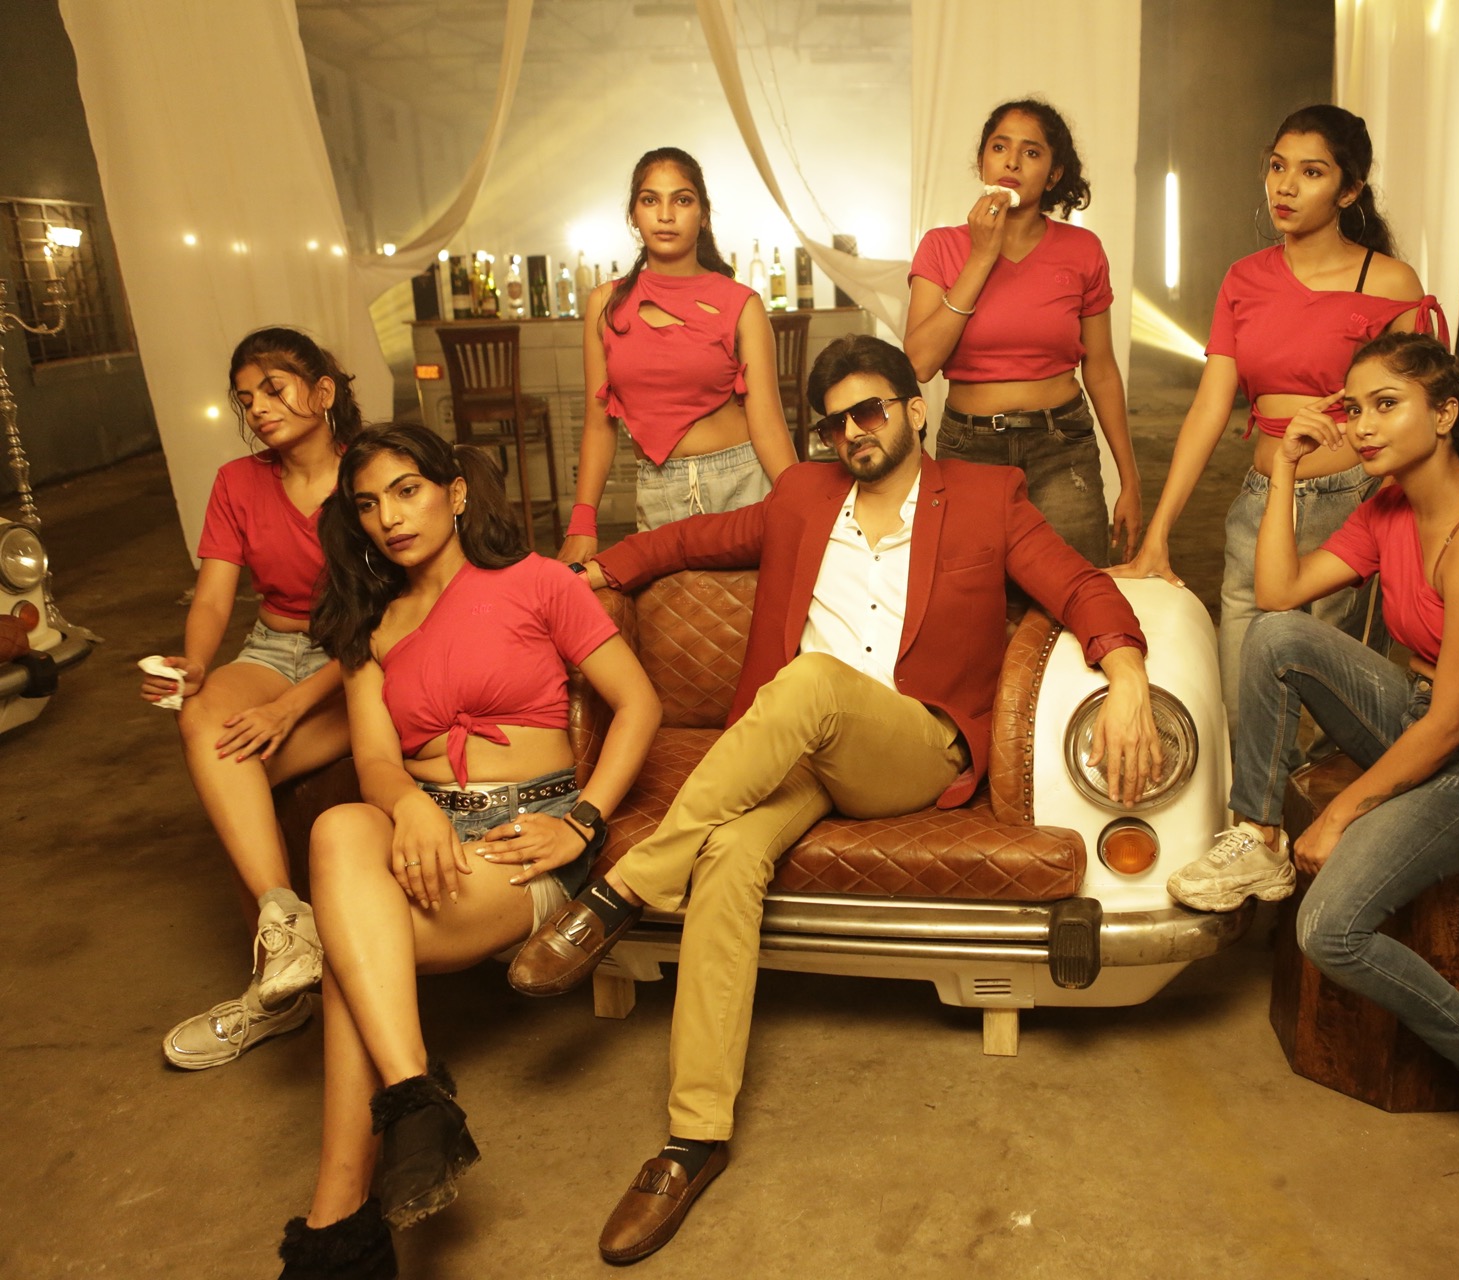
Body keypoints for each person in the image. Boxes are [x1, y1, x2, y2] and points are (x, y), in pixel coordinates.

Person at [507, 334, 1160, 1264]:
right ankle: (693, 1139)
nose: (853, 431)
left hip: (913, 745)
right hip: (801, 758)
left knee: (811, 682)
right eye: (834, 423)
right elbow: (691, 539)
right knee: (730, 855)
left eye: (870, 410)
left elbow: (1079, 583)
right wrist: (599, 572)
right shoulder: (803, 497)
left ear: (914, 410)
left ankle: (618, 892)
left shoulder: (987, 497)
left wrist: (1126, 672)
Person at [1167, 333, 1459, 1168]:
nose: (1361, 426)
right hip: (1422, 711)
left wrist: (1341, 815)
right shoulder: (1390, 506)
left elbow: (1455, 725)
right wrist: (1286, 470)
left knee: (1329, 929)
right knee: (1278, 636)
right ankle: (1258, 836)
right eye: (1354, 408)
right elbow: (1279, 593)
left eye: (1386, 405)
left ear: (1446, 413)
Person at [273, 425, 660, 1277]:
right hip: (418, 829)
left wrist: (583, 822)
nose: (388, 517)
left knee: (347, 959)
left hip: (524, 839)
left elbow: (638, 705)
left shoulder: (539, 581)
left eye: (406, 490)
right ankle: (414, 1098)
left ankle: (341, 1220)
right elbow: (376, 761)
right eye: (367, 504)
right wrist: (410, 807)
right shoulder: (369, 623)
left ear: (453, 493)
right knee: (338, 826)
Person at [1113, 104, 1444, 733]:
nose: (1285, 187)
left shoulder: (1390, 282)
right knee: (1243, 701)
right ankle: (1253, 802)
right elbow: (1210, 407)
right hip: (1261, 501)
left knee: (1337, 717)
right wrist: (1159, 533)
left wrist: (1419, 527)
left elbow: (1423, 416)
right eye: (1277, 167)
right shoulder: (1244, 279)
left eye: (1311, 172)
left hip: (1355, 505)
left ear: (1349, 190)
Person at [143, 327, 363, 1070]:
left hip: (357, 659)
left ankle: (275, 998)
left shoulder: (369, 473)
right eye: (246, 399)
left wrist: (290, 709)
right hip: (273, 646)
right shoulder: (238, 481)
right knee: (204, 720)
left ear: (323, 392)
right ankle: (285, 927)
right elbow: (213, 598)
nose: (258, 409)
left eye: (274, 388)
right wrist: (195, 667)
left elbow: (385, 621)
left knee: (236, 771)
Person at [905, 98, 1143, 567]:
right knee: (971, 593)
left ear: (1053, 175)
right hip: (969, 449)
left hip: (1062, 447)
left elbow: (1101, 369)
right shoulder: (941, 247)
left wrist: (1130, 480)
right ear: (982, 161)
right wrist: (981, 257)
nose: (1012, 161)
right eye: (1000, 147)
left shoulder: (1083, 250)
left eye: (1031, 152)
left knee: (1074, 589)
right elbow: (920, 363)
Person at [559, 146, 797, 559]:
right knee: (664, 605)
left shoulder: (741, 303)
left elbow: (769, 427)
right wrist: (582, 524)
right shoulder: (605, 305)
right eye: (650, 200)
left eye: (682, 200)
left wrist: (802, 508)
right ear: (633, 215)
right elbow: (598, 425)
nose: (666, 215)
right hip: (658, 491)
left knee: (755, 602)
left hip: (742, 486)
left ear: (703, 215)